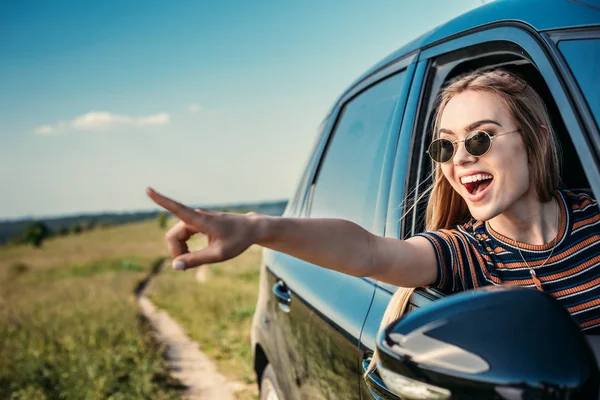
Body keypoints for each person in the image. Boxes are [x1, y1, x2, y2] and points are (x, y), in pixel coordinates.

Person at [146, 69, 600, 368]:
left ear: (536, 135)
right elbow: (369, 250)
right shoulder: (467, 252)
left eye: (479, 139)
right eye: (445, 146)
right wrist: (257, 227)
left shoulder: (592, 210)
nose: (459, 159)